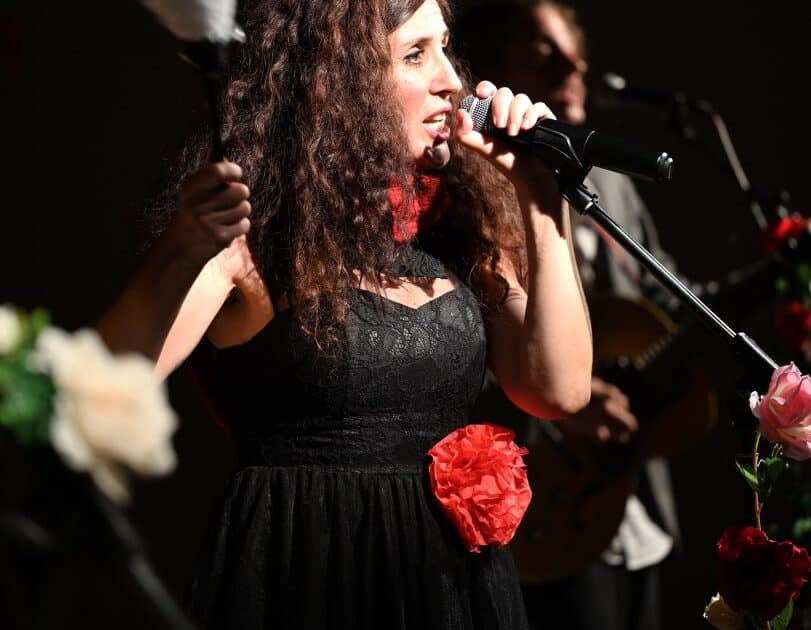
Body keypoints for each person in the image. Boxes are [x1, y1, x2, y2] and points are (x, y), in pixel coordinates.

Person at [95, 1, 592, 628]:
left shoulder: (458, 228)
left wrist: (543, 206)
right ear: (339, 80)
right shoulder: (256, 239)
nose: (452, 80)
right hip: (307, 577)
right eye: (416, 55)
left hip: (448, 593)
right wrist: (183, 249)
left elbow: (559, 389)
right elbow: (102, 384)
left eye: (445, 48)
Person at [456, 2, 685, 629]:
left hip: (629, 499)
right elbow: (451, 347)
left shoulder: (612, 186)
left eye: (572, 48)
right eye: (542, 52)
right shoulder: (470, 180)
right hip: (539, 500)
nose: (573, 65)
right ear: (494, 65)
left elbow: (670, 301)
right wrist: (558, 410)